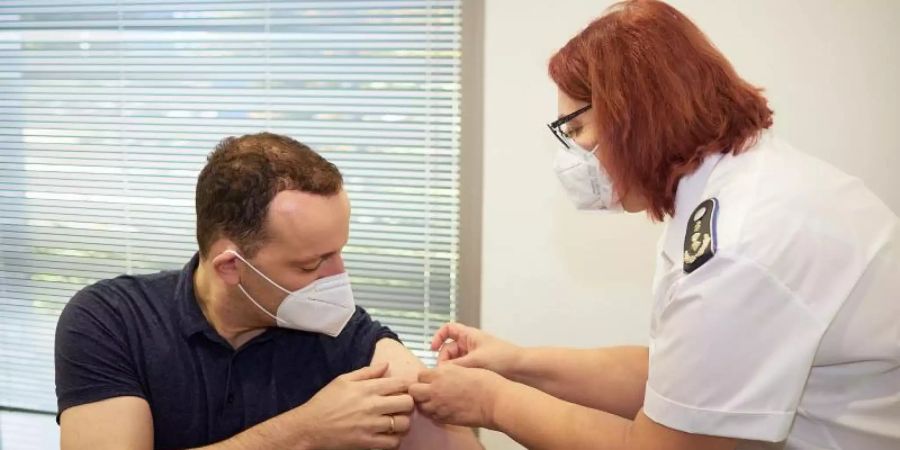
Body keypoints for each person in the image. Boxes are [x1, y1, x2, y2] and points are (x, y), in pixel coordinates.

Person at [408, 1, 900, 449]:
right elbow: (674, 380)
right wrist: (515, 363)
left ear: (632, 115)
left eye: (576, 129)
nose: (574, 156)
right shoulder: (725, 190)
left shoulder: (742, 239)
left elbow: (659, 445)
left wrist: (493, 403)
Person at [55, 132, 482, 450]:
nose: (338, 278)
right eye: (311, 263)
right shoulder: (113, 320)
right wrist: (306, 431)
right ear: (230, 267)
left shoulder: (341, 332)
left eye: (338, 253)